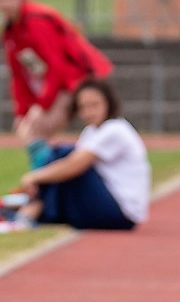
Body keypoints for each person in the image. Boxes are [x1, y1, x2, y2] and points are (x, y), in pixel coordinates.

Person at [0, 0, 113, 165]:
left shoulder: (36, 20)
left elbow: (56, 66)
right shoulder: (11, 31)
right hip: (55, 85)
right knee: (26, 128)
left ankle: (46, 177)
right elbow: (19, 76)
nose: (6, 2)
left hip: (76, 81)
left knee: (34, 130)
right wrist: (22, 110)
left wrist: (41, 105)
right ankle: (47, 176)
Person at [12, 78, 150, 231]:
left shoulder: (115, 129)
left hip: (120, 212)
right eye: (83, 107)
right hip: (106, 202)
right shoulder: (91, 131)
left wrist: (34, 177)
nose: (89, 112)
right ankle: (34, 208)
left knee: (64, 154)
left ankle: (34, 209)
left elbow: (75, 165)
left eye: (94, 105)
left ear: (108, 103)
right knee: (61, 159)